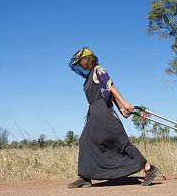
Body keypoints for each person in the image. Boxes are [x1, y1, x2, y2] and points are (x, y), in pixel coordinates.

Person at [67, 47, 158, 188]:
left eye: (80, 61)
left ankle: (149, 168)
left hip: (103, 112)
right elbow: (107, 93)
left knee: (120, 141)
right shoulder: (89, 76)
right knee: (85, 141)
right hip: (94, 112)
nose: (79, 65)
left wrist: (125, 104)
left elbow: (110, 87)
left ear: (87, 59)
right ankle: (85, 177)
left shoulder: (99, 70)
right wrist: (121, 109)